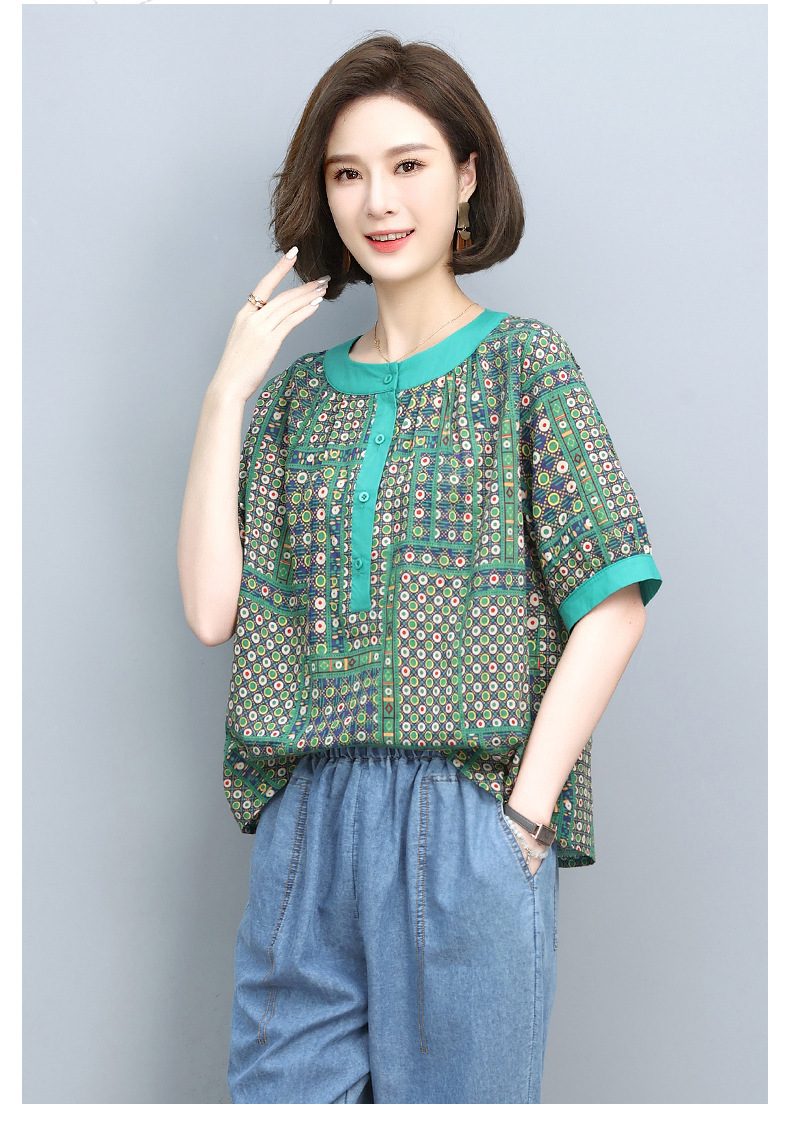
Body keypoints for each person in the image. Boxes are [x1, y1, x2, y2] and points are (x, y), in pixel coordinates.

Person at [176, 32, 662, 1105]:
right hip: (308, 824)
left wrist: (521, 820)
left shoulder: (525, 365)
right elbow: (213, 608)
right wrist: (226, 393)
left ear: (467, 177)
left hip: (466, 819)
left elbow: (614, 600)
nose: (378, 200)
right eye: (348, 173)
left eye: (408, 164)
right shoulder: (293, 401)